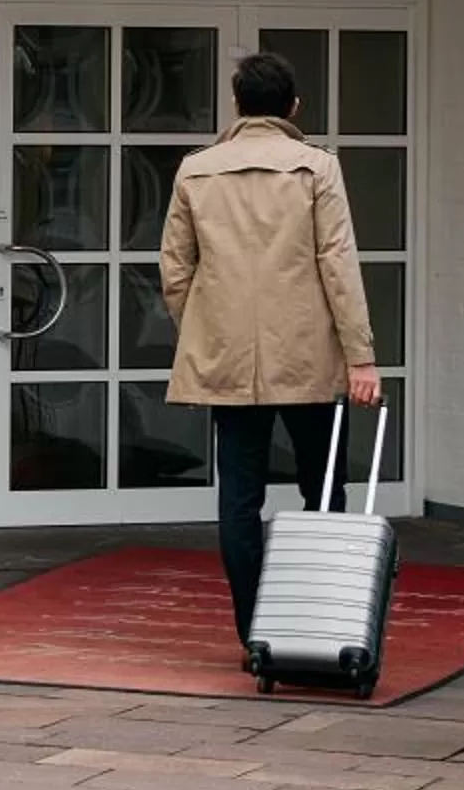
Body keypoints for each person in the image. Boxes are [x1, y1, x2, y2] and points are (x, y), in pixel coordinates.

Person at [158, 50, 380, 642]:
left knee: (238, 499)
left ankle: (252, 629)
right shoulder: (317, 168)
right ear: (293, 107)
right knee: (325, 487)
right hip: (308, 353)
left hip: (228, 356)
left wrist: (206, 327)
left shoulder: (195, 170)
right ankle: (317, 622)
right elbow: (338, 264)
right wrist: (361, 355)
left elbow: (175, 270)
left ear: (237, 105)